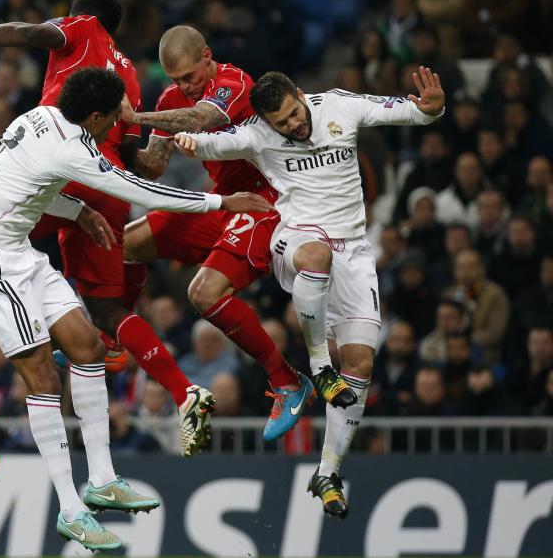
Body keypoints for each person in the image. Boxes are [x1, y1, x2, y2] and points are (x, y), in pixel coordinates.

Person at [0, 66, 272, 550]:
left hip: (18, 249)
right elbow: (144, 192)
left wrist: (77, 209)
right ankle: (70, 508)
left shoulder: (36, 116)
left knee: (87, 346)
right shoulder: (75, 149)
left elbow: (21, 185)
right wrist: (221, 202)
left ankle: (101, 478)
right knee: (41, 378)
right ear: (96, 116)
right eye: (114, 120)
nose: (118, 129)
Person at [0, 0, 218, 457]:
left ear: (81, 15)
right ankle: (180, 390)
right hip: (107, 185)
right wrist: (174, 128)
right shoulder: (129, 76)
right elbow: (144, 165)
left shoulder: (81, 28)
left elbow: (28, 33)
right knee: (109, 310)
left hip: (58, 171)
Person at [175, 66, 445, 518]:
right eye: (283, 123)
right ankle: (319, 367)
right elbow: (205, 141)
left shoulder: (340, 105)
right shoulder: (257, 135)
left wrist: (432, 112)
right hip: (296, 239)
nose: (295, 125)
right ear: (267, 122)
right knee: (316, 257)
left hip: (355, 252)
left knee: (360, 362)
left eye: (296, 114)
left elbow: (411, 113)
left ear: (302, 95)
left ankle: (328, 472)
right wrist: (183, 139)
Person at [120, 25, 313, 441]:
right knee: (125, 243)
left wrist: (136, 116)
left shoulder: (234, 81)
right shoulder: (172, 99)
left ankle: (287, 381)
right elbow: (152, 165)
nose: (183, 87)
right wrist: (113, 138)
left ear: (207, 56)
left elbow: (202, 117)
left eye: (190, 76)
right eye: (175, 80)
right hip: (224, 201)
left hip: (266, 200)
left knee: (203, 294)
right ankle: (114, 338)